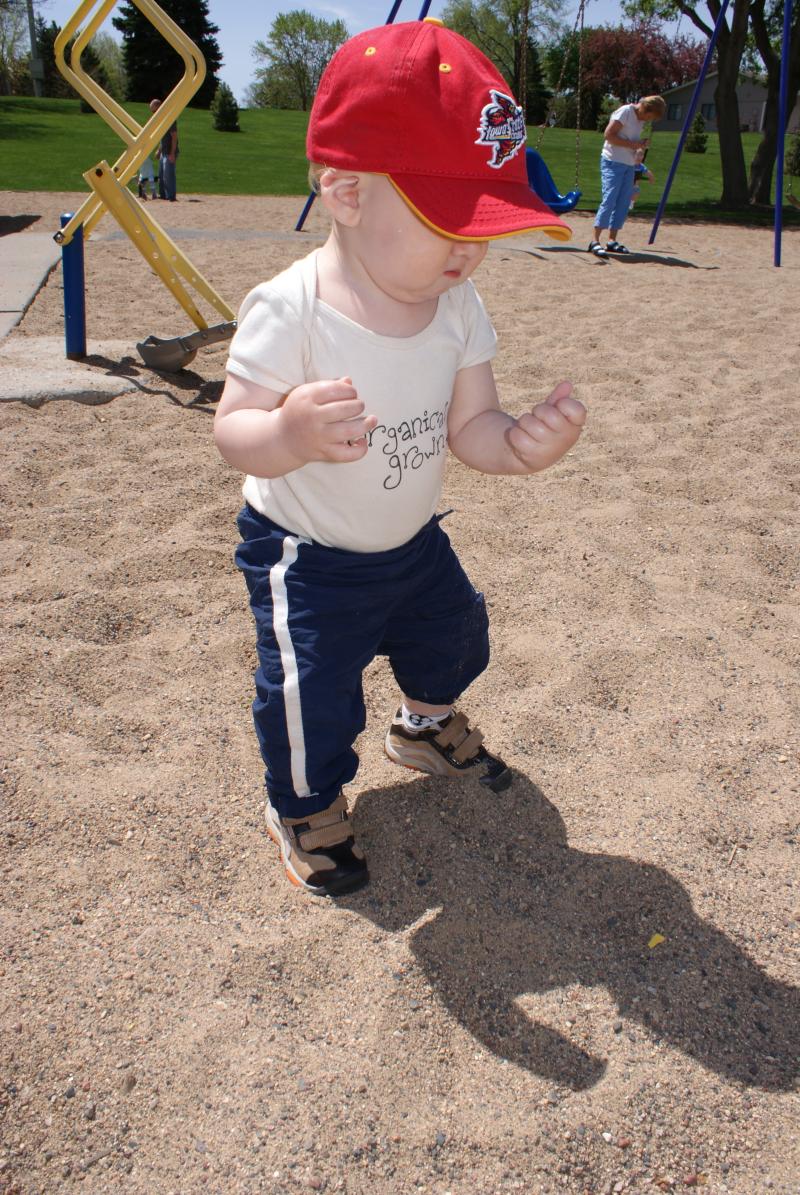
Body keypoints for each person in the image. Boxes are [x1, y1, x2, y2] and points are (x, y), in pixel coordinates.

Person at [213, 18, 587, 898]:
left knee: (454, 638)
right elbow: (232, 430)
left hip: (413, 542)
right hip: (308, 555)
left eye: (484, 225)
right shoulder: (292, 308)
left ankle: (422, 725)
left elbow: (472, 424)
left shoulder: (458, 305)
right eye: (448, 220)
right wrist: (288, 434)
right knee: (310, 694)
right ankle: (302, 805)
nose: (470, 249)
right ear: (347, 194)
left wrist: (517, 446)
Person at [589, 95, 666, 257]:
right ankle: (594, 241)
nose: (649, 120)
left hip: (629, 164)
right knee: (610, 199)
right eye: (650, 116)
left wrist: (640, 144)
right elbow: (609, 135)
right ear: (645, 109)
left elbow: (630, 139)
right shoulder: (625, 112)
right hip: (612, 161)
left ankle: (611, 241)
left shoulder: (640, 120)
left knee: (624, 202)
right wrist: (633, 144)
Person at [149, 97, 178, 202]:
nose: (153, 114)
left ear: (160, 108)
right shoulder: (160, 121)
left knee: (168, 175)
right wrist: (159, 150)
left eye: (154, 111)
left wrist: (172, 153)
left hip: (170, 152)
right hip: (163, 152)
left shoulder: (169, 119)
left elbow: (174, 137)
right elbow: (163, 138)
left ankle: (171, 196)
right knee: (161, 175)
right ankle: (163, 195)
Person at [629, 147, 655, 213]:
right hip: (627, 185)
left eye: (641, 155)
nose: (639, 157)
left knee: (637, 192)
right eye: (637, 155)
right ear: (633, 156)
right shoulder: (630, 164)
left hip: (635, 186)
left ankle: (632, 202)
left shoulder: (641, 166)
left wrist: (651, 178)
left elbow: (648, 172)